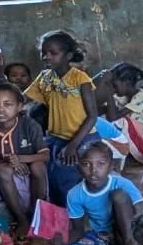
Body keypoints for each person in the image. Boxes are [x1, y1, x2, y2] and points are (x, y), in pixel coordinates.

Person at [42, 141, 142, 245]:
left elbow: (141, 215)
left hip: (129, 234)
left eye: (100, 164)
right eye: (86, 164)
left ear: (111, 166)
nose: (93, 170)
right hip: (103, 238)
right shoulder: (74, 194)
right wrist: (63, 240)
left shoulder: (122, 183)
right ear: (78, 167)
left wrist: (133, 242)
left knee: (118, 195)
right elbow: (78, 231)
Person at [25, 29, 99, 203]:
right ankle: (56, 218)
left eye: (53, 53)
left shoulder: (80, 79)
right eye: (43, 53)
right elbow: (22, 99)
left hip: (82, 138)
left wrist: (73, 145)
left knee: (70, 181)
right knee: (52, 180)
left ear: (68, 55)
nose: (46, 57)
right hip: (55, 139)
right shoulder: (44, 78)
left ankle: (74, 220)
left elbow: (92, 116)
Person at [0, 83, 48, 241]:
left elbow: (45, 156)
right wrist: (8, 161)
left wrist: (21, 159)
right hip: (5, 179)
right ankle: (21, 219)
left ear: (20, 106)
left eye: (7, 104)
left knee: (38, 165)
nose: (0, 109)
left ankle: (37, 214)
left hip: (30, 176)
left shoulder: (29, 125)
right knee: (3, 169)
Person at [104, 63, 143, 158]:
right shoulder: (120, 97)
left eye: (114, 86)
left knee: (118, 121)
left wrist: (108, 91)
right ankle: (120, 152)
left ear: (127, 82)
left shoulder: (141, 96)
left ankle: (118, 157)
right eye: (112, 87)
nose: (113, 90)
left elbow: (113, 117)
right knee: (104, 117)